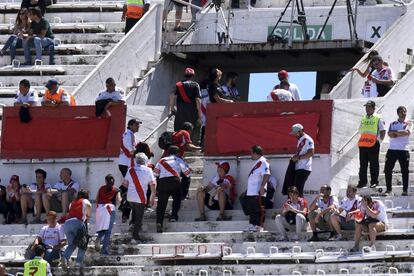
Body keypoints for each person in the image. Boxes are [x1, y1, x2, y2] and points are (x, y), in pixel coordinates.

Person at [154, 145, 191, 233]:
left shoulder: (161, 161)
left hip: (163, 182)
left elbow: (155, 174)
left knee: (161, 204)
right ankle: (174, 216)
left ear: (168, 153)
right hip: (175, 181)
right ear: (177, 153)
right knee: (177, 199)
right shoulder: (178, 160)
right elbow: (187, 173)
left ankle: (159, 222)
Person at [161, 122, 201, 200]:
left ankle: (162, 193)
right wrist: (199, 148)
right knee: (187, 175)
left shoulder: (176, 133)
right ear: (190, 129)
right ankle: (183, 195)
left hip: (165, 158)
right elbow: (189, 146)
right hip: (175, 159)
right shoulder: (185, 133)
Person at [125, 153, 156, 241]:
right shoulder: (148, 170)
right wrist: (152, 197)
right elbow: (153, 185)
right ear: (145, 160)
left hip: (130, 197)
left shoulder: (130, 170)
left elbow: (125, 184)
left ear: (136, 160)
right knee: (139, 216)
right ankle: (135, 235)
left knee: (134, 209)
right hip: (140, 197)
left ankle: (132, 224)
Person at [169, 67, 202, 144]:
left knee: (179, 131)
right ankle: (191, 148)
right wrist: (199, 114)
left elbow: (172, 96)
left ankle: (179, 148)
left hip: (180, 113)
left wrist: (172, 107)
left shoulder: (178, 84)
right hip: (192, 113)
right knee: (193, 131)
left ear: (185, 75)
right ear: (192, 75)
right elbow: (198, 100)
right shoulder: (195, 85)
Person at [357, 100, 385, 188]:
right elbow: (360, 130)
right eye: (366, 107)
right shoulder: (363, 118)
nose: (367, 109)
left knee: (373, 164)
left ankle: (374, 182)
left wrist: (379, 141)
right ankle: (362, 182)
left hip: (373, 144)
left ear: (373, 108)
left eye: (369, 107)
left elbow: (383, 130)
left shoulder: (377, 118)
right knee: (363, 164)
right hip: (363, 144)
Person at [384, 106, 412, 196]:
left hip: (404, 150)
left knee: (405, 171)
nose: (403, 113)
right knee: (387, 170)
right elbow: (389, 133)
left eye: (404, 111)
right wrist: (400, 132)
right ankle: (389, 190)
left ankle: (405, 190)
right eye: (401, 112)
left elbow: (407, 133)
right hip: (392, 149)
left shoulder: (409, 123)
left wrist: (395, 133)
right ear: (398, 113)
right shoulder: (392, 123)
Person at [61, 189, 92, 269]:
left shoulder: (72, 203)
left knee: (72, 244)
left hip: (67, 223)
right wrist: (88, 216)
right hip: (78, 222)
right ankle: (78, 262)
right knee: (83, 244)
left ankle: (65, 257)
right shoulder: (85, 201)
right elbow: (88, 207)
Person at [243, 145, 270, 232]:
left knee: (258, 209)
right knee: (252, 210)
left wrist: (262, 187)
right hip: (251, 191)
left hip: (257, 191)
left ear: (255, 153)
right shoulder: (256, 163)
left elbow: (266, 174)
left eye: (251, 152)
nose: (250, 154)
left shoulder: (263, 162)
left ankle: (259, 226)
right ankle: (252, 225)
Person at [95, 174, 121, 255]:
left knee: (102, 228)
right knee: (108, 231)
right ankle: (103, 251)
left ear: (106, 181)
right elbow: (118, 200)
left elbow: (96, 199)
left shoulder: (101, 188)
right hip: (109, 209)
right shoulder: (116, 190)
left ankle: (99, 237)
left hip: (100, 208)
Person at [290, 123, 315, 196]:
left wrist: (298, 158)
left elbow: (311, 153)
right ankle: (298, 205)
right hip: (299, 167)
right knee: (296, 189)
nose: (294, 135)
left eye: (295, 133)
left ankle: (301, 206)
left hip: (304, 168)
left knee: (297, 190)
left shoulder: (307, 139)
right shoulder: (301, 139)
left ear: (300, 131)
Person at [199, 79, 210, 147]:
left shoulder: (199, 92)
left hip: (200, 113)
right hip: (206, 113)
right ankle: (203, 145)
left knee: (201, 130)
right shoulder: (208, 93)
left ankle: (200, 144)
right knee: (205, 131)